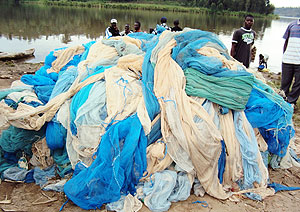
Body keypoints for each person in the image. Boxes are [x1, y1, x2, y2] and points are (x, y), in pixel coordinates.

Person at [280, 18, 300, 107]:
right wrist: (284, 54)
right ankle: (282, 99)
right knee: (285, 81)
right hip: (287, 59)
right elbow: (286, 41)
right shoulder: (292, 25)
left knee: (298, 83)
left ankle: (291, 101)